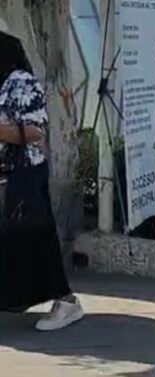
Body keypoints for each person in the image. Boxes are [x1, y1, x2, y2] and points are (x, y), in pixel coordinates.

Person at [0, 32, 84, 331]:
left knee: (35, 238)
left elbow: (35, 131)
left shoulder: (20, 82)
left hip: (21, 174)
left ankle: (66, 301)